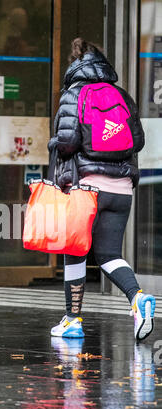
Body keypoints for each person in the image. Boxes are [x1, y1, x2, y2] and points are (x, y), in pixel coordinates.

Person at [48, 38, 155, 341]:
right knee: (109, 254)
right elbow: (137, 140)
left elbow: (68, 142)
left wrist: (54, 143)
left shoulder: (73, 94)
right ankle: (137, 299)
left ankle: (72, 320)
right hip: (121, 188)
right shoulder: (122, 95)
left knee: (76, 251)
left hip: (86, 188)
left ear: (75, 63)